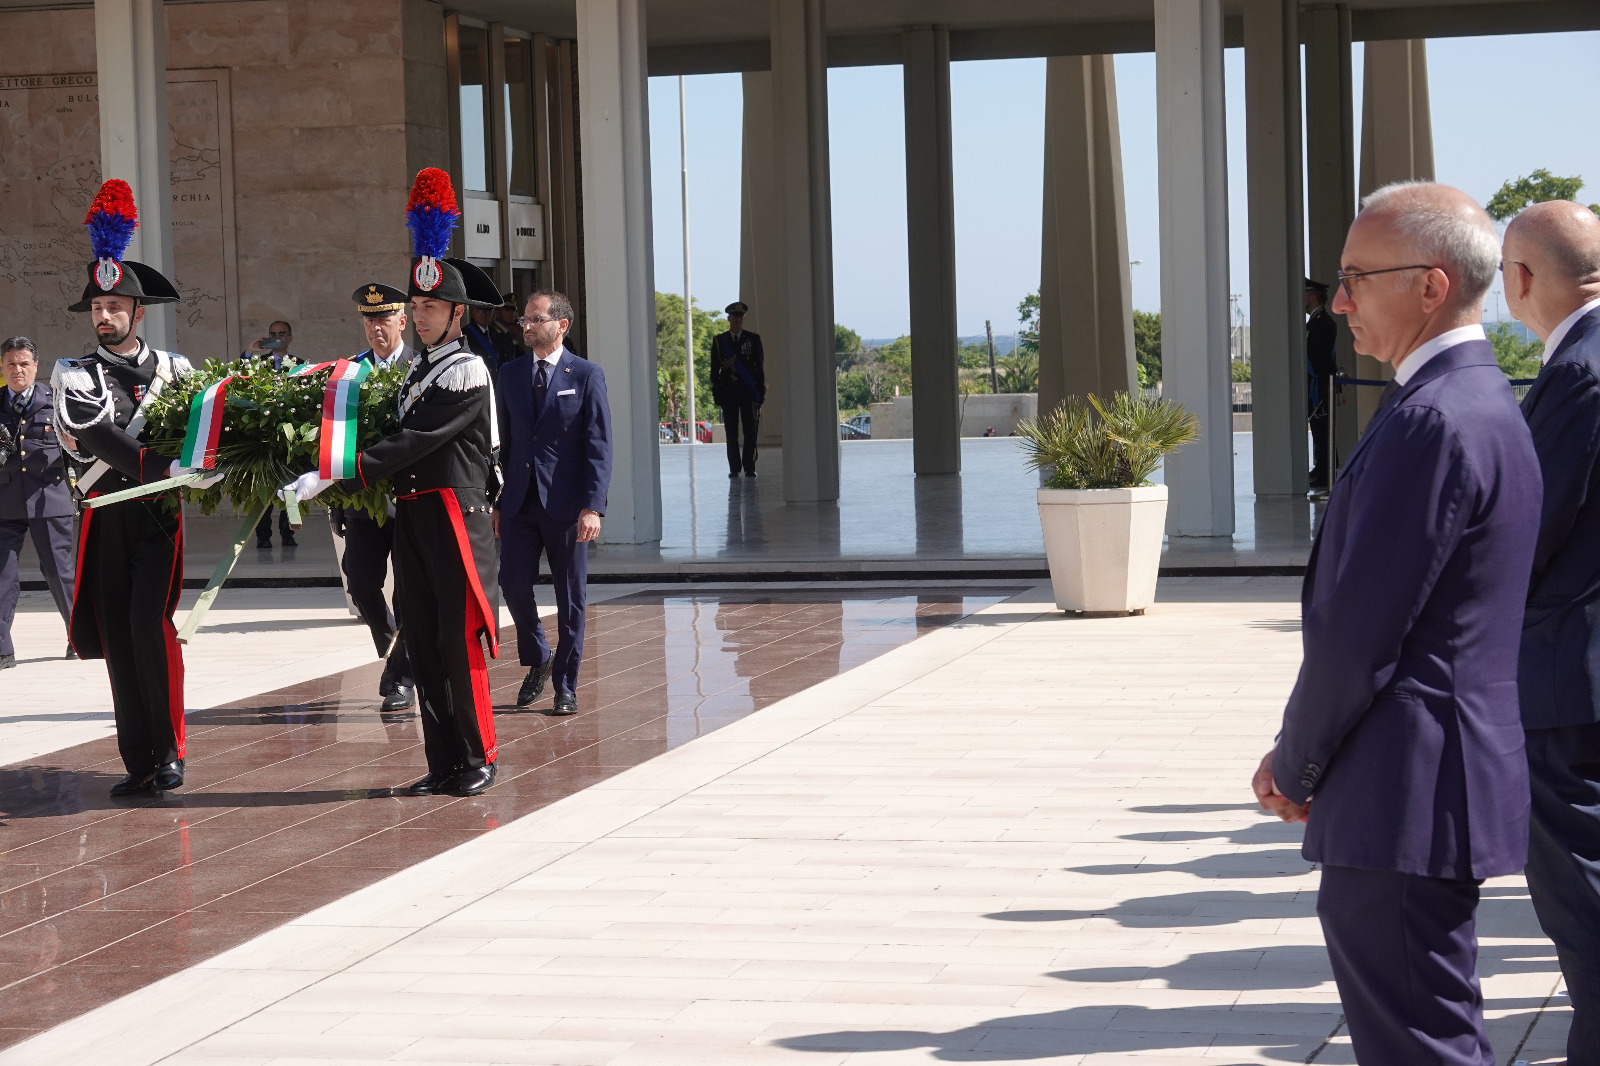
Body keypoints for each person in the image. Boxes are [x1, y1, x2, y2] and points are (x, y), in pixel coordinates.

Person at [1251, 181, 1541, 1066]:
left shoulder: (1433, 421)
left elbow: (1358, 633)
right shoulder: (1477, 403)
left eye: (1355, 277)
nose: (1337, 301)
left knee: (1420, 1042)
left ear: (1431, 285)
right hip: (1431, 779)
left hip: (1406, 787)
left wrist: (1296, 761)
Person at [297, 168, 501, 797]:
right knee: (422, 638)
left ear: (457, 313)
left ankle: (478, 758)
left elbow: (415, 443)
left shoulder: (463, 370)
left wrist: (334, 471)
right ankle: (442, 761)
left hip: (451, 518)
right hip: (413, 515)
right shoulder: (417, 372)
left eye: (430, 307)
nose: (419, 316)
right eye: (415, 307)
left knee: (455, 642)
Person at [53, 178, 212, 796]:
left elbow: (201, 428)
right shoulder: (73, 372)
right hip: (102, 516)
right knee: (119, 637)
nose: (104, 316)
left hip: (156, 518)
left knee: (151, 626)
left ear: (138, 313)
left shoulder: (177, 369)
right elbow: (96, 437)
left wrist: (207, 463)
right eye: (97, 307)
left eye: (115, 308)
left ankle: (169, 750)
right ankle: (138, 759)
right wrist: (165, 467)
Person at [1501, 198, 1600, 1066]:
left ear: (1523, 279)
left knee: (1580, 896)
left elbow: (1533, 535)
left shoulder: (1579, 371)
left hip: (1572, 679)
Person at [496, 289, 612, 716]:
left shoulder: (585, 374)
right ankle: (539, 655)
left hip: (567, 506)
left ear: (561, 325)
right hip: (519, 503)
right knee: (511, 583)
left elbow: (599, 445)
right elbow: (503, 445)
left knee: (571, 598)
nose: (525, 325)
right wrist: (496, 499)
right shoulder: (508, 373)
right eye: (524, 319)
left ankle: (566, 684)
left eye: (535, 319)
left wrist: (592, 506)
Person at [327, 283, 417, 714]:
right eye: (368, 319)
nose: (375, 327)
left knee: (409, 591)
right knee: (361, 583)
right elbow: (332, 442)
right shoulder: (348, 373)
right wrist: (335, 501)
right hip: (362, 500)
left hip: (411, 497)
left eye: (383, 319)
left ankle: (400, 677)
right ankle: (393, 644)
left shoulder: (421, 368)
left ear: (403, 320)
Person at [0, 337, 75, 666]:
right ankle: (2, 649)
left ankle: (81, 637)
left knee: (60, 573)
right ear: (2, 368)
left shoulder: (56, 402)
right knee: (2, 575)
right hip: (5, 500)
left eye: (24, 364)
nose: (17, 370)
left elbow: (77, 452)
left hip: (49, 498)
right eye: (10, 364)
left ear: (36, 367)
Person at [241, 320, 299, 548]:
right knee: (262, 489)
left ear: (290, 337)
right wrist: (249, 352)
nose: (278, 337)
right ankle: (263, 537)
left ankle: (288, 533)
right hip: (263, 435)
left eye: (282, 334)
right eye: (273, 334)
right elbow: (237, 374)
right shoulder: (258, 364)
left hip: (290, 435)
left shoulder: (300, 364)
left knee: (291, 486)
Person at [709, 301, 765, 477]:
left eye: (741, 317)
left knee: (750, 431)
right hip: (729, 394)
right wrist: (717, 393)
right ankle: (734, 468)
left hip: (748, 393)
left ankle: (749, 467)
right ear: (729, 318)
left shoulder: (753, 339)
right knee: (731, 433)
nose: (738, 320)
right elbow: (714, 371)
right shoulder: (719, 341)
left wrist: (760, 392)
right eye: (735, 316)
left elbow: (759, 368)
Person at [1305, 278, 1337, 491]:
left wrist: (1321, 386)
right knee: (1318, 430)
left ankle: (1326, 471)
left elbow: (1320, 357)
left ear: (1313, 296)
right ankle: (1321, 468)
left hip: (1321, 384)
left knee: (1324, 430)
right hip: (1317, 383)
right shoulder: (1315, 321)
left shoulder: (1322, 322)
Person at [491, 292, 526, 363]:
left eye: (513, 310)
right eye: (507, 309)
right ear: (497, 311)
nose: (512, 313)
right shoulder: (492, 333)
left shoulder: (506, 333)